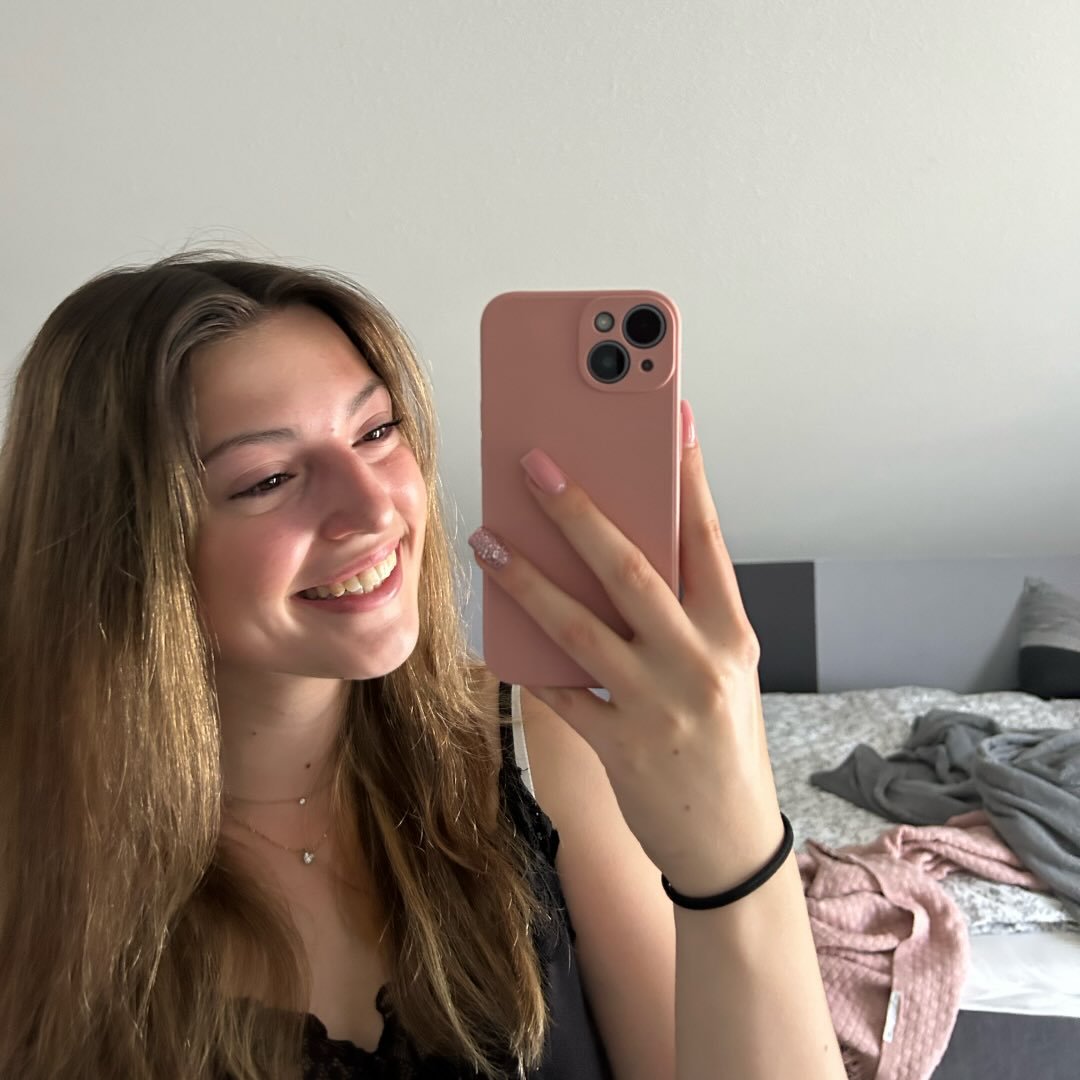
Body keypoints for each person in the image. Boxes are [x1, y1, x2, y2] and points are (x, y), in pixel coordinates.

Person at [0, 252, 846, 1079]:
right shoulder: (37, 860)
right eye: (268, 479)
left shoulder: (531, 750)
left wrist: (735, 854)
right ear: (123, 551)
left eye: (376, 431)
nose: (375, 508)